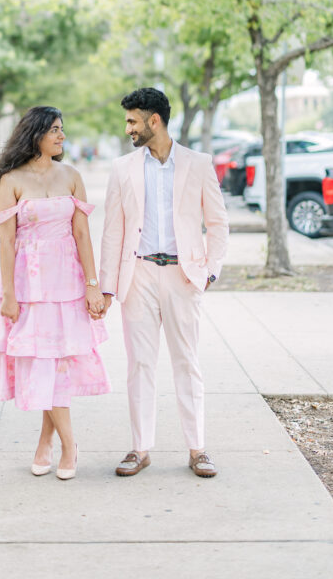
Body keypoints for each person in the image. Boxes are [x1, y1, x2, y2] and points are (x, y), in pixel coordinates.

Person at [99, 87, 229, 478]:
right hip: (137, 275)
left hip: (182, 275)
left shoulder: (198, 164)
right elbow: (112, 230)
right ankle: (140, 449)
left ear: (154, 120)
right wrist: (107, 286)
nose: (128, 129)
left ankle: (197, 449)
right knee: (139, 364)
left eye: (132, 121)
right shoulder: (122, 168)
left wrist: (209, 271)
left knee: (186, 362)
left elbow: (218, 222)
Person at [0, 105, 110, 480]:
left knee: (58, 363)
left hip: (68, 283)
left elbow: (82, 233)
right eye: (54, 129)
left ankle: (48, 442)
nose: (62, 136)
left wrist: (93, 286)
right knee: (42, 362)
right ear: (35, 133)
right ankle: (69, 444)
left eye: (62, 129)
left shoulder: (72, 176)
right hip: (29, 286)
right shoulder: (11, 181)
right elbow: (6, 242)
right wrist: (8, 294)